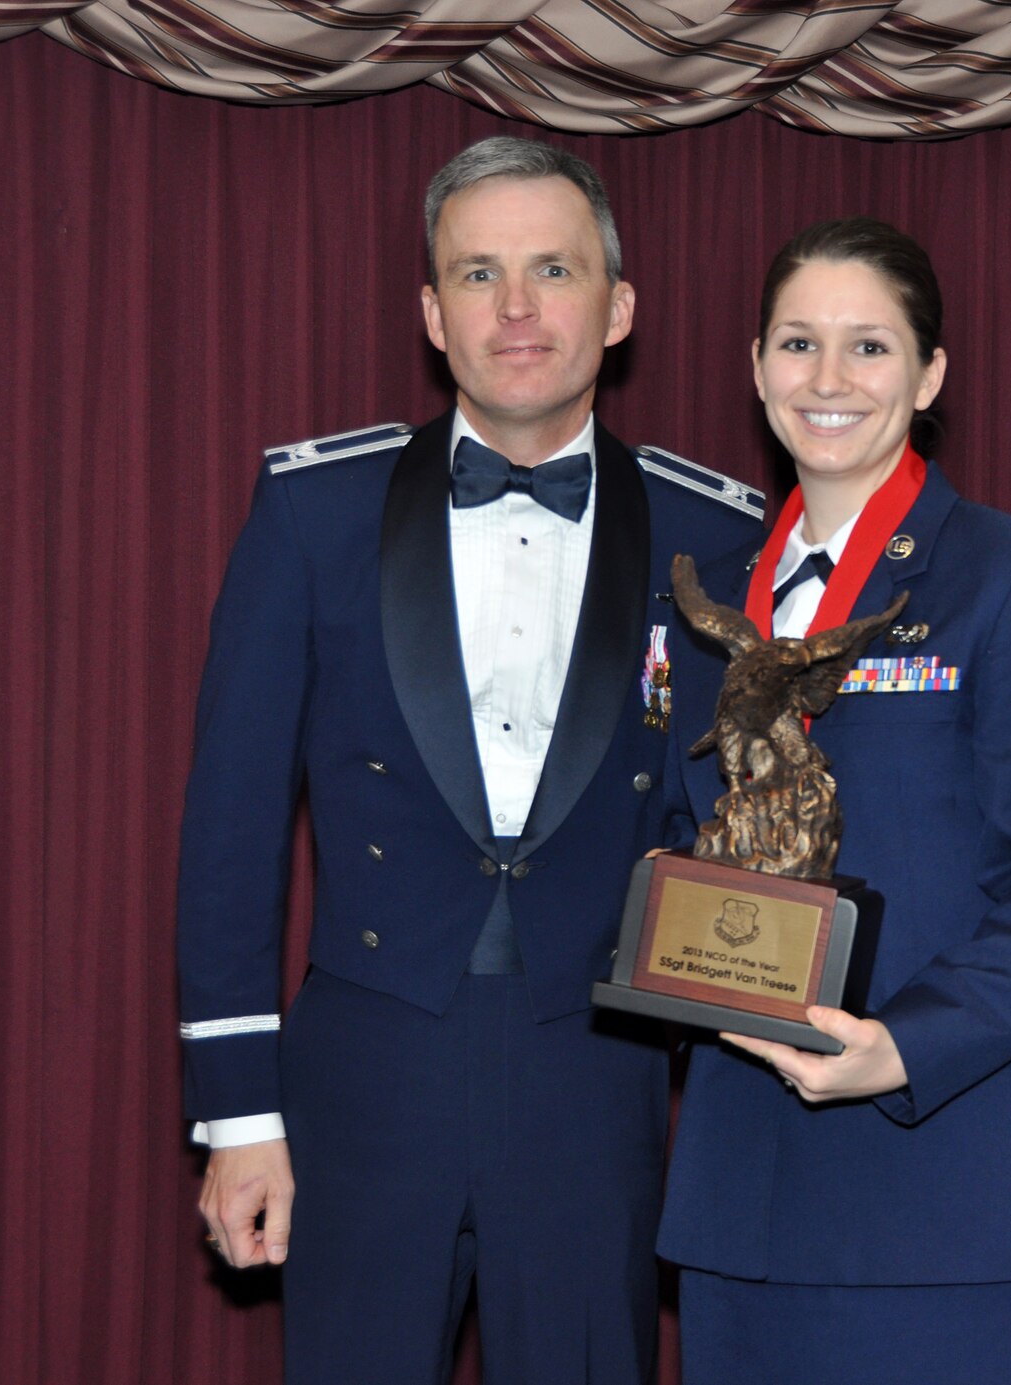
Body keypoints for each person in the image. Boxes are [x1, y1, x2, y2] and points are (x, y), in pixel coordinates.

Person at [175, 136, 764, 1384]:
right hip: (370, 1068)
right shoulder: (312, 512)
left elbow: (740, 823)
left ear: (618, 306)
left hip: (596, 1071)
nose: (516, 308)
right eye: (479, 273)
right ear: (432, 313)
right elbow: (229, 828)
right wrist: (237, 1112)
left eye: (552, 268)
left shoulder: (711, 537)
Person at [655, 216, 1011, 1385]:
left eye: (868, 348)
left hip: (952, 1193)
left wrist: (901, 1047)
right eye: (797, 343)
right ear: (754, 365)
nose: (827, 380)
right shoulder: (703, 598)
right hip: (744, 1210)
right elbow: (684, 838)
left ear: (928, 376)